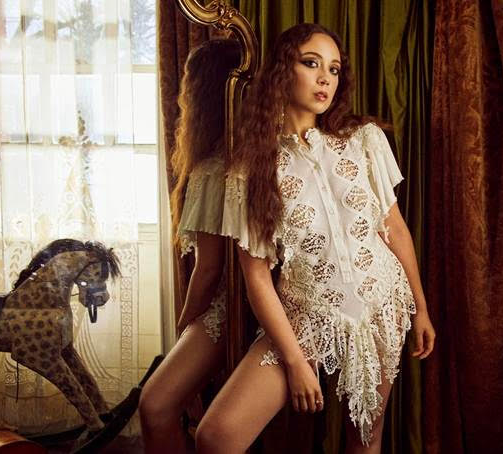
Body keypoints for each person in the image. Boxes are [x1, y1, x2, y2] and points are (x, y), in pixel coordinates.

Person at [195, 23, 436, 454]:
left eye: (334, 69)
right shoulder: (250, 167)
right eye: (311, 63)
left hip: (382, 303)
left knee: (365, 442)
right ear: (282, 70)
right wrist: (294, 362)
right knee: (216, 436)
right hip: (304, 317)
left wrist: (420, 308)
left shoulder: (364, 141)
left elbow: (395, 229)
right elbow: (257, 277)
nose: (325, 78)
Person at [138, 38, 241, 454]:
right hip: (247, 304)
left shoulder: (212, 169)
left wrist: (184, 325)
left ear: (198, 94)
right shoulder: (236, 157)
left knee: (154, 404)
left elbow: (209, 269)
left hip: (227, 308)